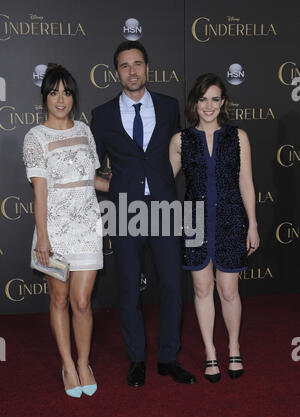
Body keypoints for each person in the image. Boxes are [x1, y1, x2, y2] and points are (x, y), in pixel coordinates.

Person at [91, 41, 196, 387]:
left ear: (148, 67)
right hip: (124, 213)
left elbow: (174, 154)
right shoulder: (102, 115)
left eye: (137, 64)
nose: (132, 71)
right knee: (128, 291)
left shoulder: (168, 107)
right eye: (124, 66)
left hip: (165, 209)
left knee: (171, 287)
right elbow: (91, 170)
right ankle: (136, 359)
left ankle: (168, 358)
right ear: (116, 72)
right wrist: (118, 188)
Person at [23, 64, 110, 397]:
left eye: (67, 92)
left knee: (83, 302)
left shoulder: (85, 130)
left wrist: (124, 185)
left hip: (88, 227)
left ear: (74, 96)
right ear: (44, 96)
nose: (61, 99)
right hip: (55, 232)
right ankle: (68, 366)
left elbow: (92, 181)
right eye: (54, 92)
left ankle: (84, 361)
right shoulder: (36, 137)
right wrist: (42, 237)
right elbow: (40, 191)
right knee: (59, 300)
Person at [169, 73, 260, 383]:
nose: (209, 106)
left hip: (231, 219)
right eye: (203, 99)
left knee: (228, 291)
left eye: (215, 99)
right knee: (202, 289)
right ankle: (210, 352)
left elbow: (246, 183)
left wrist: (253, 225)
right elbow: (163, 181)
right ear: (195, 102)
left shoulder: (238, 137)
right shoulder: (181, 140)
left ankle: (234, 346)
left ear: (224, 103)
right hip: (193, 221)